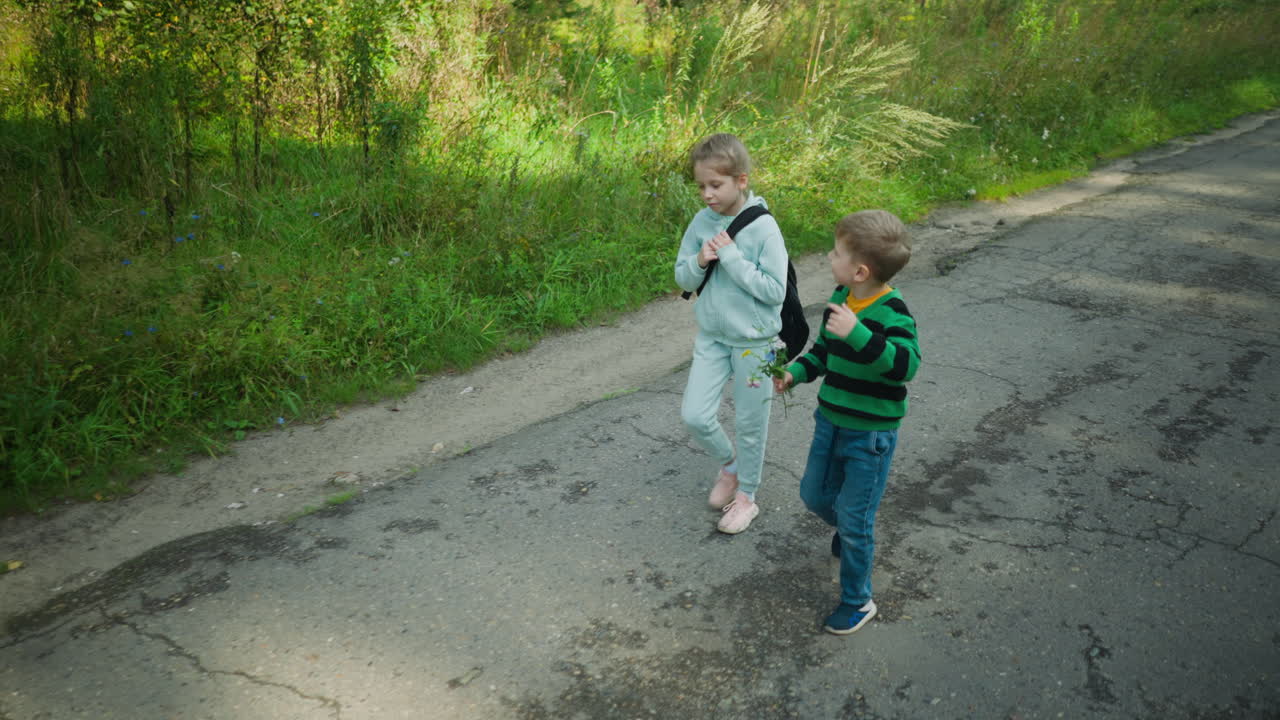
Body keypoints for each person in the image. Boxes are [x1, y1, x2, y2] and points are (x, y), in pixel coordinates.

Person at [773, 209, 921, 634]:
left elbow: (906, 365)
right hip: (831, 420)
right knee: (814, 495)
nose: (828, 256)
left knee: (855, 522)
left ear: (860, 270)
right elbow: (823, 353)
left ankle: (858, 601)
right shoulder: (840, 297)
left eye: (835, 252)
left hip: (870, 436)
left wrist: (858, 332)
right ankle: (851, 526)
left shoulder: (893, 313)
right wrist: (795, 373)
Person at [674, 133, 788, 534]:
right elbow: (682, 275)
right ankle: (731, 467)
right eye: (701, 186)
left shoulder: (764, 228)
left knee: (751, 424)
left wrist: (733, 258)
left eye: (715, 185)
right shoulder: (701, 222)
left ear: (741, 180)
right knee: (694, 414)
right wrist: (701, 260)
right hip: (712, 337)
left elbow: (775, 291)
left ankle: (747, 498)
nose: (707, 194)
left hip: (755, 343)